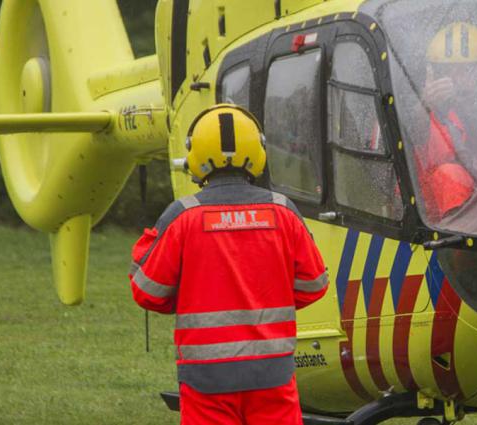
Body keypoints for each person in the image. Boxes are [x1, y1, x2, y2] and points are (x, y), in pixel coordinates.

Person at [128, 104, 328, 425]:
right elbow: (314, 285)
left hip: (206, 380)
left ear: (196, 153)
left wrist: (187, 296)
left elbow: (146, 291)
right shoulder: (284, 212)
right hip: (272, 374)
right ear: (258, 150)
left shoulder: (182, 217)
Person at [414, 21, 477, 221]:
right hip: (435, 223)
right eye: (448, 71)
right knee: (450, 174)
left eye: (465, 70)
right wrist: (424, 106)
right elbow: (412, 134)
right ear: (432, 74)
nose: (455, 79)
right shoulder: (421, 110)